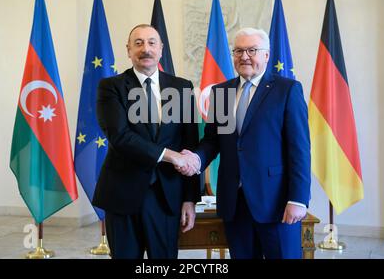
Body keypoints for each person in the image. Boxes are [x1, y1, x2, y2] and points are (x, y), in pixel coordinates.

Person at [181, 27, 311, 259]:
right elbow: (212, 141)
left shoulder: (287, 90)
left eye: (252, 50)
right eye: (239, 51)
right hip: (234, 202)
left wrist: (298, 199)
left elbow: (299, 150)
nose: (244, 56)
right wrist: (195, 159)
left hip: (276, 202)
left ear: (266, 55)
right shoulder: (221, 92)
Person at [92, 24, 200, 259]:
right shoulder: (110, 87)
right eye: (138, 43)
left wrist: (190, 199)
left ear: (161, 49)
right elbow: (120, 136)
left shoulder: (182, 87)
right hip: (122, 193)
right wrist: (171, 156)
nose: (145, 49)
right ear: (128, 50)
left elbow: (190, 145)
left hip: (167, 195)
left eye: (152, 42)